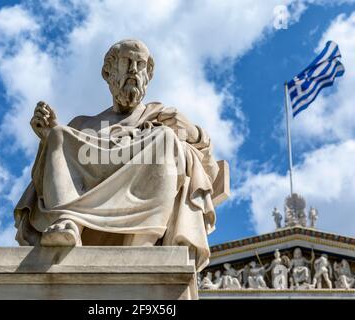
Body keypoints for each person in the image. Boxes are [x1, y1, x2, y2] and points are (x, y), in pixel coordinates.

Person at [14, 39, 227, 271]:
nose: (134, 70)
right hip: (91, 183)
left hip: (143, 179)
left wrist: (193, 132)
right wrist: (49, 136)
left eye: (141, 64)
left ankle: (141, 245)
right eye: (127, 62)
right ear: (108, 72)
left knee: (165, 137)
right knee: (59, 134)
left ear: (149, 74)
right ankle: (69, 223)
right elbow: (55, 167)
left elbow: (210, 173)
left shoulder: (160, 115)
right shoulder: (84, 124)